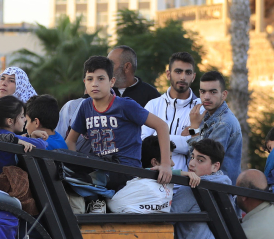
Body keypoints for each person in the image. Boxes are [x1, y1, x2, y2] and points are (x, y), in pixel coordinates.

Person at [64, 55, 172, 191]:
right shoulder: (86, 106)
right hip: (100, 166)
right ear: (85, 82)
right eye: (90, 79)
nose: (94, 83)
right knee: (60, 161)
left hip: (125, 169)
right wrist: (75, 164)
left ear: (112, 82)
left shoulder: (125, 105)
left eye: (101, 79)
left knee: (80, 178)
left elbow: (161, 126)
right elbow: (70, 141)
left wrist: (166, 165)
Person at [172, 139, 231, 239]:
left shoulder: (190, 190)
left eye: (200, 160)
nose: (191, 163)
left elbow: (163, 221)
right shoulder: (225, 187)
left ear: (215, 166)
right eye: (192, 157)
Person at [142, 52, 202, 172]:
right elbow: (144, 143)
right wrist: (184, 139)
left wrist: (156, 135)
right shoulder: (153, 105)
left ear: (193, 77)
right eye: (178, 71)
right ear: (168, 74)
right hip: (153, 179)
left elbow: (195, 147)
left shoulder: (201, 108)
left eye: (188, 73)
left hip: (185, 184)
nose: (183, 77)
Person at [183, 71, 243, 183]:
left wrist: (194, 129)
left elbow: (204, 158)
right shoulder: (208, 116)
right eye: (203, 92)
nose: (206, 97)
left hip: (218, 190)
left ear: (224, 95)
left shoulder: (223, 124)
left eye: (213, 92)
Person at [0, 95, 46, 180]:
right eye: (22, 116)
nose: (25, 120)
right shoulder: (8, 137)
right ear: (10, 121)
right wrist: (35, 138)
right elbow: (42, 145)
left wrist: (31, 137)